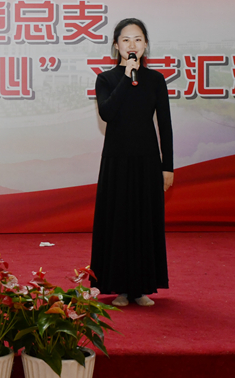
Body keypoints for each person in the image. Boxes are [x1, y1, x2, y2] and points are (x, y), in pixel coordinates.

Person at [89, 18, 173, 307]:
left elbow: (165, 126)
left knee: (144, 223)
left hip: (147, 161)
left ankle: (141, 288)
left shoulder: (156, 80)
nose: (132, 44)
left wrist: (167, 166)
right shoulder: (106, 79)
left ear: (145, 45)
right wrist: (126, 77)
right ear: (116, 45)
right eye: (126, 40)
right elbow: (108, 113)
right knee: (119, 223)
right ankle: (121, 288)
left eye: (138, 39)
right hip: (116, 162)